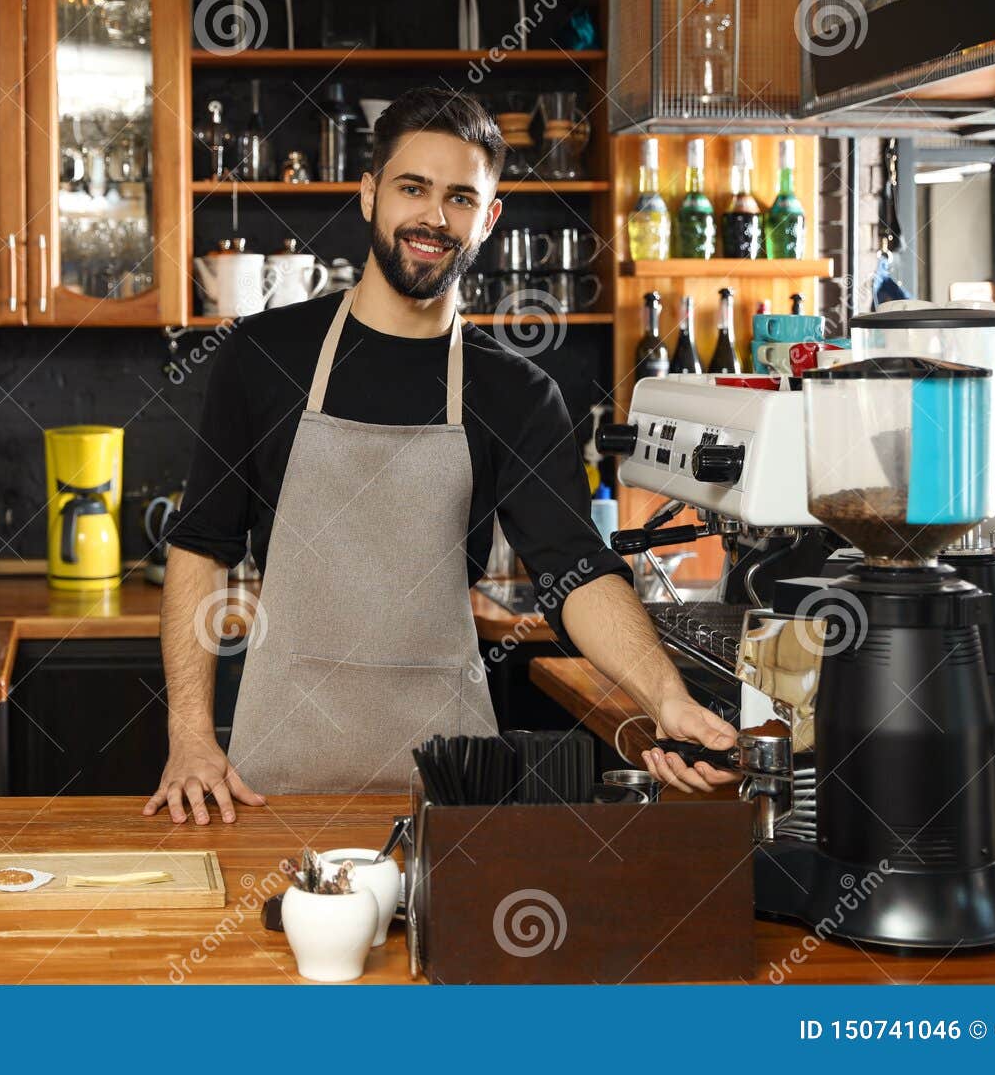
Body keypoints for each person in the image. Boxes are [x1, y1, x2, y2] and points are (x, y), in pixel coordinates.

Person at [144, 87, 736, 825]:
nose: (433, 217)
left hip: (451, 791)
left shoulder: (516, 391)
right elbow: (200, 548)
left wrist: (666, 696)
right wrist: (192, 737)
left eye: (460, 197)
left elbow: (574, 569)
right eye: (412, 188)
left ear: (487, 219)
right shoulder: (263, 358)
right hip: (274, 780)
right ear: (369, 196)